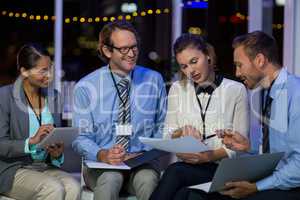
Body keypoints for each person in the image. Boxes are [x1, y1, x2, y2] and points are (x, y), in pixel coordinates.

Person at [72, 21, 167, 200]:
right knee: (111, 177)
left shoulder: (154, 80)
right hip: (100, 165)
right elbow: (80, 138)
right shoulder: (86, 86)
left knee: (147, 180)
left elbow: (162, 126)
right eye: (124, 49)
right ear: (107, 51)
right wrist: (102, 154)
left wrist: (145, 151)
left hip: (142, 163)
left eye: (134, 47)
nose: (131, 54)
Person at [150, 33, 249, 200]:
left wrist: (209, 156)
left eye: (194, 62)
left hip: (223, 171)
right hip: (188, 168)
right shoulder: (177, 89)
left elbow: (241, 147)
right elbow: (167, 135)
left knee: (175, 172)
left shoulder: (236, 90)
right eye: (184, 66)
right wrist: (181, 132)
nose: (191, 71)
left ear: (208, 56)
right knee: (182, 195)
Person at [0, 43, 80, 200]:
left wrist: (57, 154)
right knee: (53, 189)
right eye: (43, 70)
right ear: (24, 71)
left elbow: (56, 137)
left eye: (50, 68)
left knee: (74, 187)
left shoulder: (54, 96)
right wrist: (31, 141)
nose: (50, 75)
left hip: (44, 166)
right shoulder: (4, 96)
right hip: (13, 168)